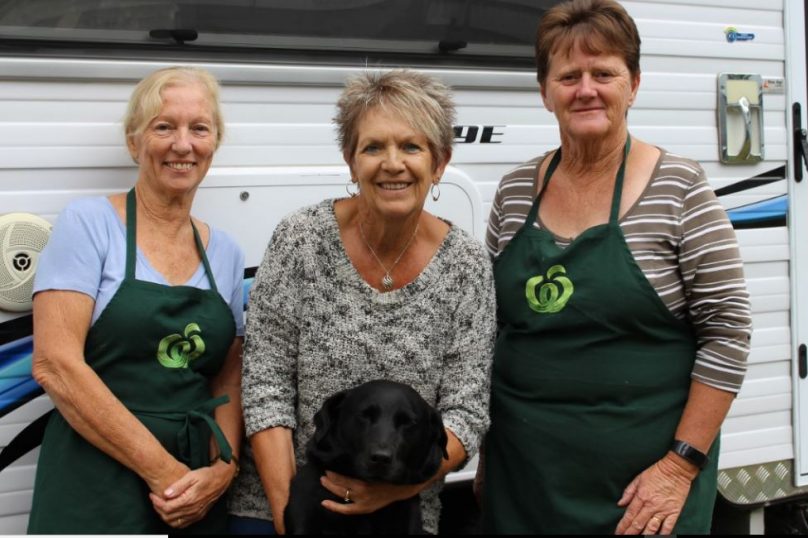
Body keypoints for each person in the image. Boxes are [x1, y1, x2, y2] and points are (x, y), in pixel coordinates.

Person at [478, 0, 752, 534]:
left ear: (634, 84)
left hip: (643, 497)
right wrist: (488, 457)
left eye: (604, 73)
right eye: (568, 75)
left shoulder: (680, 187)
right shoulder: (514, 191)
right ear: (544, 91)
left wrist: (680, 465)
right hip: (525, 484)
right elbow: (490, 329)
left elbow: (728, 333)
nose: (586, 89)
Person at [227, 69, 497, 535]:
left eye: (411, 147)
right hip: (284, 499)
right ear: (351, 162)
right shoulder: (301, 239)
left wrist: (394, 490)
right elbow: (266, 388)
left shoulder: (466, 264)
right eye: (373, 147)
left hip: (403, 510)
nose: (393, 164)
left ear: (440, 162)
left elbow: (466, 412)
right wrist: (289, 514)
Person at [27, 66, 244, 534]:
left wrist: (223, 467)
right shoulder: (89, 224)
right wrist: (165, 474)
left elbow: (228, 372)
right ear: (134, 142)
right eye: (163, 127)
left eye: (199, 129)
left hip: (195, 486)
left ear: (214, 144)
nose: (182, 145)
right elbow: (55, 364)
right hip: (95, 474)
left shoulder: (224, 252)